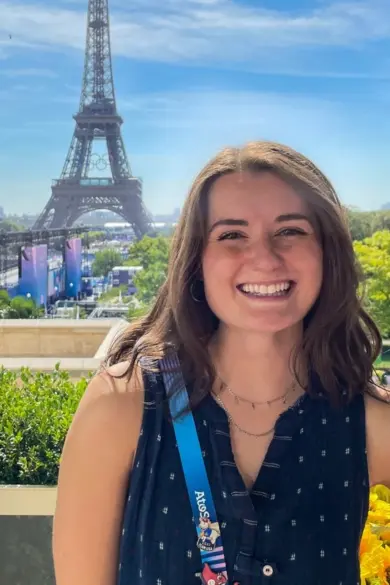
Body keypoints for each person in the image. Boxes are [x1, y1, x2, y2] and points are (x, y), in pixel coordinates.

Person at [53, 141, 390, 585]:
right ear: (196, 261)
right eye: (231, 234)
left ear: (327, 252)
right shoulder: (119, 407)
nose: (265, 258)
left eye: (290, 231)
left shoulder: (375, 426)